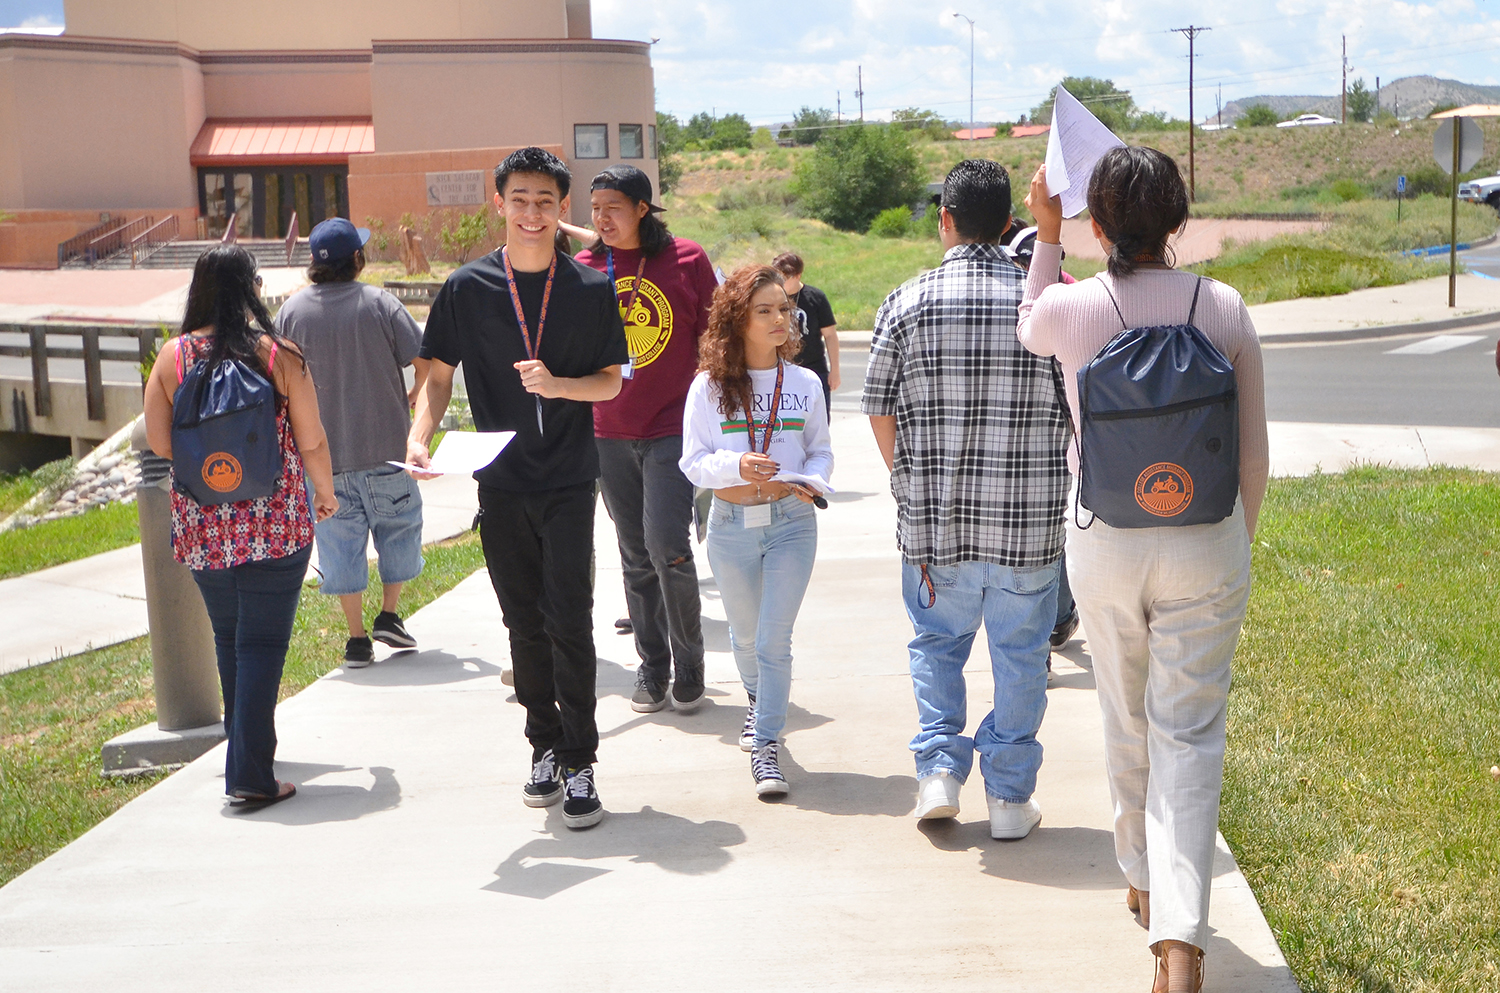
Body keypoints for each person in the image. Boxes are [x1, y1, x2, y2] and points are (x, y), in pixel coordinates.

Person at [1017, 148, 1269, 992]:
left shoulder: (1075, 310)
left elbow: (1030, 323)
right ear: (1177, 222)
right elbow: (1253, 451)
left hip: (1108, 538)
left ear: (1100, 226)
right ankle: (1181, 940)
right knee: (1190, 734)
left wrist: (1046, 235)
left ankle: (1141, 875)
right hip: (1207, 536)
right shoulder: (1224, 307)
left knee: (1126, 717)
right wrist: (1235, 540)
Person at [408, 147, 628, 831]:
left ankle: (582, 758)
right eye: (520, 199)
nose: (532, 212)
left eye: (545, 201)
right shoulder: (467, 288)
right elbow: (437, 373)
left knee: (571, 619)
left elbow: (611, 381)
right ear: (498, 202)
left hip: (568, 478)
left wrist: (559, 384)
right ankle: (543, 747)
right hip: (499, 481)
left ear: (562, 210)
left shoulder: (590, 290)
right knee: (521, 623)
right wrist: (419, 434)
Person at [861, 159, 1068, 841]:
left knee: (936, 645)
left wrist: (906, 476)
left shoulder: (907, 299)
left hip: (934, 524)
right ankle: (1009, 797)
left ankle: (940, 773)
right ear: (1008, 220)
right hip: (1026, 524)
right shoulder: (1044, 302)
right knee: (1021, 656)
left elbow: (878, 406)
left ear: (945, 220)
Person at [143, 245, 338, 806]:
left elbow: (161, 444)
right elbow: (313, 439)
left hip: (204, 527)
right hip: (275, 524)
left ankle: (247, 756)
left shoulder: (172, 358)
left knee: (231, 641)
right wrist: (322, 494)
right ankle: (250, 774)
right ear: (251, 288)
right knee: (261, 645)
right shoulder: (279, 355)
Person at [679, 265, 833, 797]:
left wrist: (813, 481)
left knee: (773, 638)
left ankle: (766, 744)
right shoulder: (708, 386)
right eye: (764, 311)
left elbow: (820, 450)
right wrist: (734, 467)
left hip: (792, 522)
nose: (778, 320)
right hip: (731, 525)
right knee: (745, 638)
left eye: (783, 310)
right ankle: (756, 702)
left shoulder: (806, 382)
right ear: (737, 319)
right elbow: (693, 461)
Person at [572, 165, 718, 715]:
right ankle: (652, 665)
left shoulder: (685, 258)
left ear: (641, 209)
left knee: (667, 546)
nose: (602, 218)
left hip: (673, 428)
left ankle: (690, 661)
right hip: (607, 430)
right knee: (634, 555)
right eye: (595, 208)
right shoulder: (583, 267)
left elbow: (713, 335)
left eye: (613, 206)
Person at [278, 217, 429, 668]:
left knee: (339, 547)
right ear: (357, 260)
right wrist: (413, 396)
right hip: (386, 451)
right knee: (400, 531)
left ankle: (357, 639)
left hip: (325, 461)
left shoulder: (290, 313)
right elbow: (425, 363)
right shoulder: (381, 303)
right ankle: (388, 613)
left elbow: (277, 378)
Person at [770, 252, 839, 411]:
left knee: (819, 419)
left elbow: (830, 335)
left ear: (798, 276)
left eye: (785, 278)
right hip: (781, 369)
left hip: (814, 369)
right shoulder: (771, 298)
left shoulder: (816, 297)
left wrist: (835, 371)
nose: (780, 282)